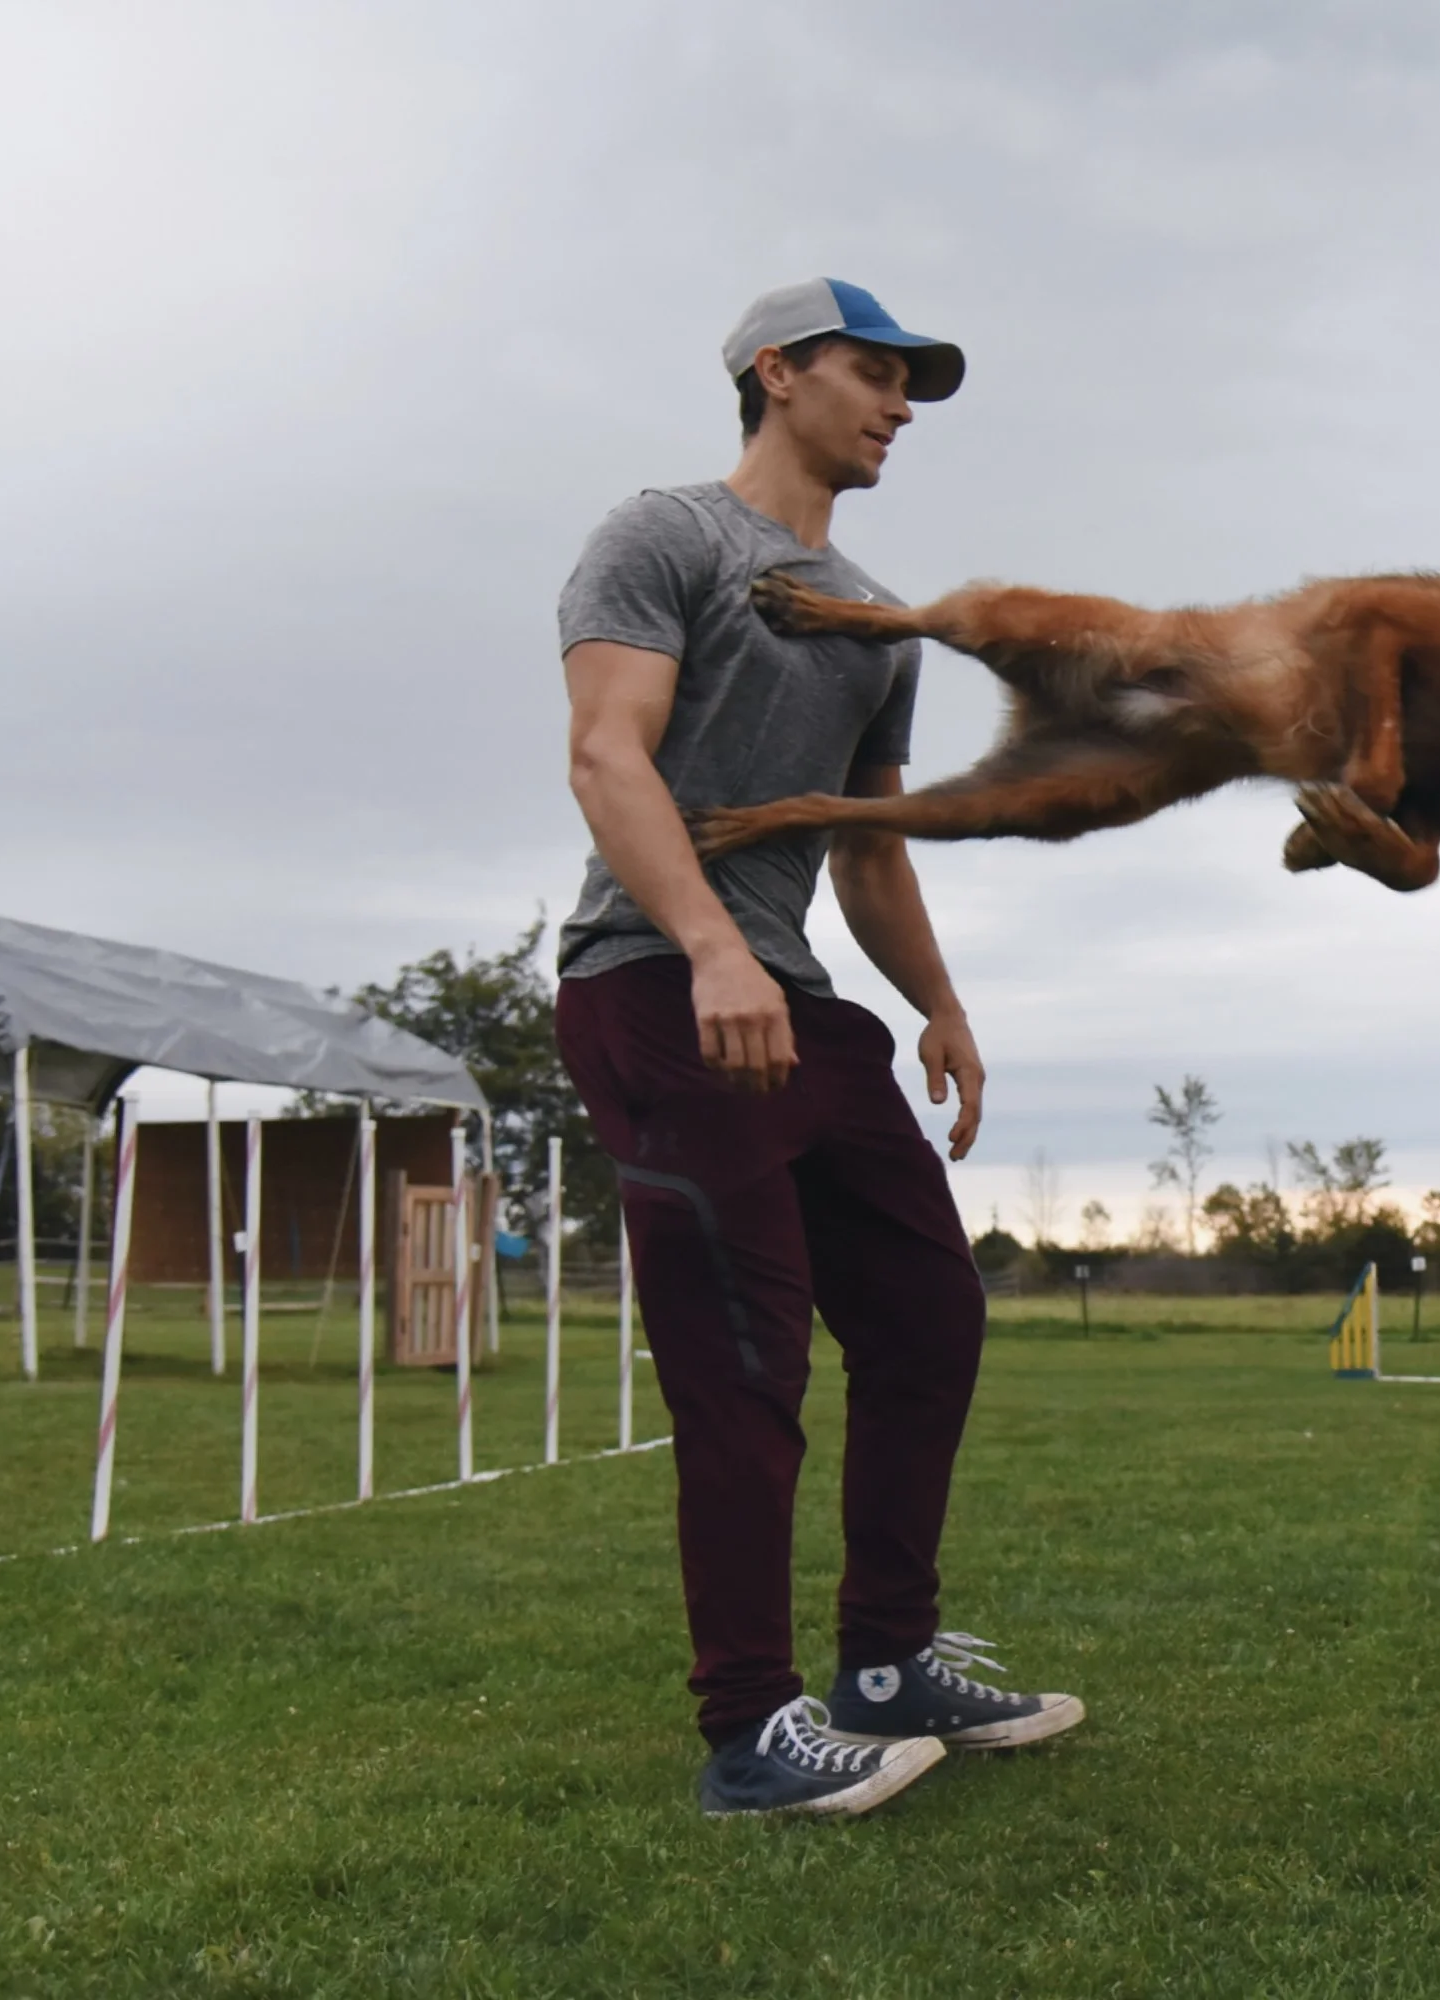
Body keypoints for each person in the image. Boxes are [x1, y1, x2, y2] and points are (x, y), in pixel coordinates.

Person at [553, 278, 1083, 1820]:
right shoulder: (664, 539)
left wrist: (942, 1003)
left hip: (797, 996)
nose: (900, 404)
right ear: (776, 372)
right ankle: (748, 1731)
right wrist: (712, 942)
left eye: (912, 383)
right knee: (744, 1361)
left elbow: (868, 847)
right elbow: (606, 755)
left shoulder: (874, 625)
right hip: (656, 979)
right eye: (874, 372)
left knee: (927, 1312)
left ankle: (887, 1663)